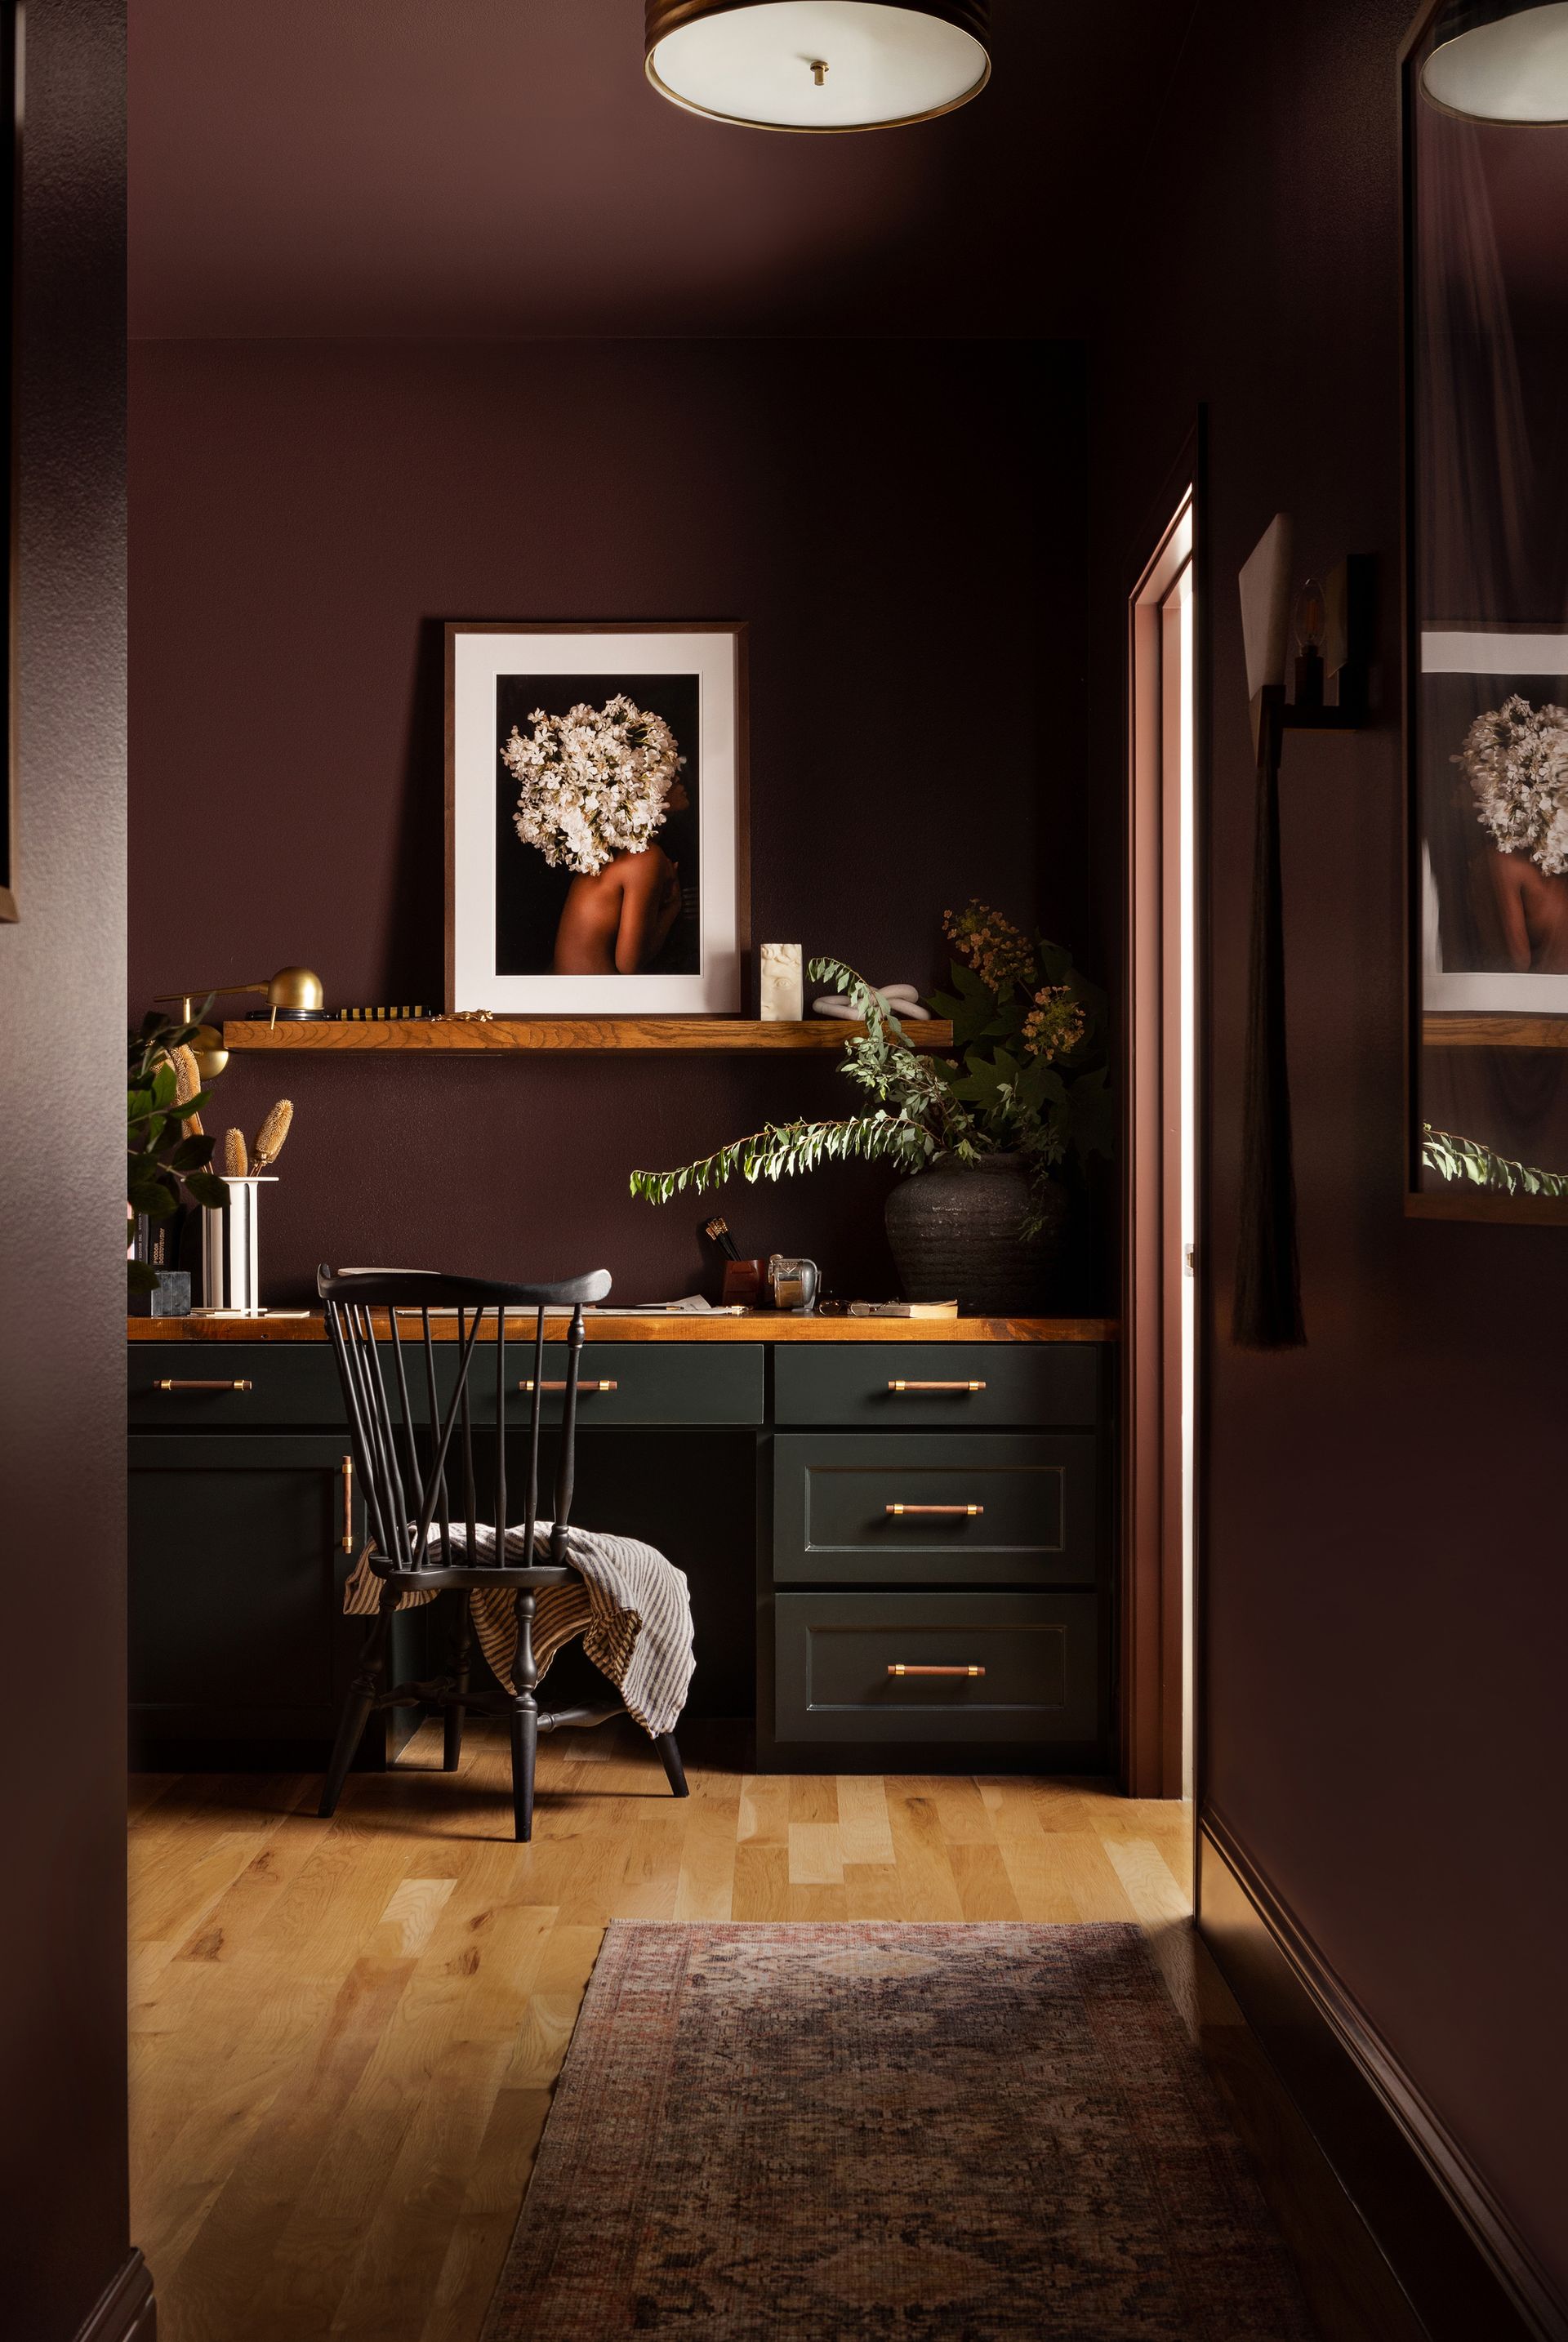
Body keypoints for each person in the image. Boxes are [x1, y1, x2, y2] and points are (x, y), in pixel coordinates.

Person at [552, 777, 689, 974]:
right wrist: (673, 908)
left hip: (573, 987)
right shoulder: (645, 856)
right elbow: (629, 965)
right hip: (595, 993)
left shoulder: (605, 852)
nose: (677, 779)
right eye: (666, 777)